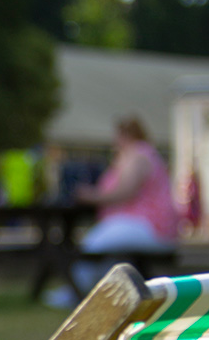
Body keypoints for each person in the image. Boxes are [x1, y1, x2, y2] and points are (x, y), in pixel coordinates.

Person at [43, 116, 178, 309]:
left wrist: (90, 195)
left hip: (151, 226)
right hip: (147, 226)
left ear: (124, 135)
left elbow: (125, 191)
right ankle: (92, 294)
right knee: (108, 253)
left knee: (94, 243)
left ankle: (75, 291)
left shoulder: (138, 155)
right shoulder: (140, 154)